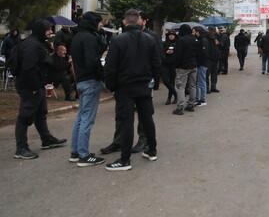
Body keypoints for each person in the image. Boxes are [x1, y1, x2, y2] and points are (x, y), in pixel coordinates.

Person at [103, 9, 161, 171]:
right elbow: (157, 63)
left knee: (126, 121)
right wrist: (154, 83)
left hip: (125, 87)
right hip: (143, 86)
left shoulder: (118, 40)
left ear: (124, 22)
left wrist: (111, 86)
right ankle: (152, 150)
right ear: (139, 22)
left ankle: (125, 159)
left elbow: (110, 66)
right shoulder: (149, 39)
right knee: (147, 118)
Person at [13, 20, 67, 160]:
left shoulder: (38, 43)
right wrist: (34, 87)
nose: (51, 32)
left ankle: (46, 139)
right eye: (48, 29)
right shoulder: (32, 45)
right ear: (40, 30)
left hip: (38, 84)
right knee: (25, 116)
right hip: (30, 86)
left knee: (40, 113)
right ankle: (21, 148)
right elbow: (28, 67)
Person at [69, 11, 106, 167]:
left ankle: (75, 151)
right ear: (93, 22)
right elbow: (92, 61)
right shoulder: (89, 38)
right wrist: (101, 74)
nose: (101, 25)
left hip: (82, 80)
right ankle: (83, 154)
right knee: (87, 119)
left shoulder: (77, 37)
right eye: (99, 22)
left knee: (80, 117)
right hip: (90, 81)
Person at [172, 24, 198, 115]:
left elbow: (178, 55)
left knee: (181, 86)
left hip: (183, 66)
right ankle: (191, 105)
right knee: (192, 86)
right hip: (194, 65)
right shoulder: (194, 39)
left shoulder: (180, 40)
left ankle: (180, 107)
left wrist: (176, 65)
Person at [161, 31, 178, 105]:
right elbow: (160, 53)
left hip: (173, 65)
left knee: (172, 81)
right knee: (165, 81)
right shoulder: (164, 43)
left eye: (172, 35)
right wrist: (166, 52)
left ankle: (169, 98)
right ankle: (175, 93)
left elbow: (179, 54)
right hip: (165, 64)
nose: (171, 36)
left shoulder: (177, 44)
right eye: (170, 35)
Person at [193, 26, 208, 107]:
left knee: (201, 82)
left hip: (202, 64)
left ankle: (203, 99)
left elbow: (204, 53)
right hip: (200, 64)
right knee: (199, 82)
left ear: (198, 32)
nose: (193, 33)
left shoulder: (203, 40)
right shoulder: (200, 40)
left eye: (194, 31)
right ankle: (198, 99)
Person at [205, 26, 221, 93]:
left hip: (216, 58)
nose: (213, 32)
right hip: (209, 58)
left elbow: (221, 46)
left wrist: (218, 43)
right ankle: (207, 87)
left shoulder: (217, 37)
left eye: (214, 31)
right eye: (211, 31)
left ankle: (213, 87)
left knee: (214, 73)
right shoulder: (206, 38)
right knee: (207, 73)